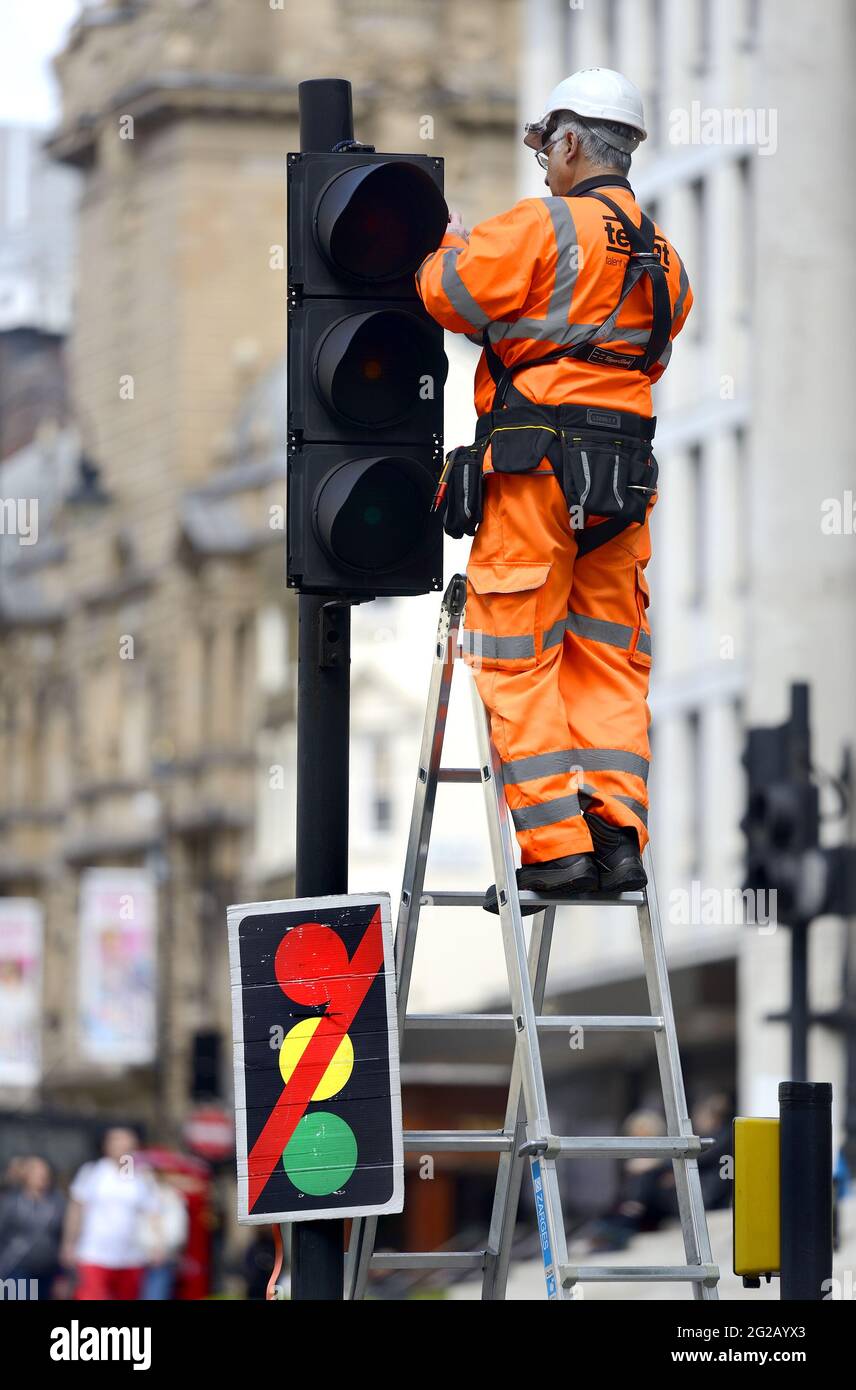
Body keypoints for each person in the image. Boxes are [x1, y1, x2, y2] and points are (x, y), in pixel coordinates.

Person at [416, 69, 693, 906]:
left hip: (536, 478)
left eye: (546, 145)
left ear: (572, 141)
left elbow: (447, 292)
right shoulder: (666, 260)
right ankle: (617, 841)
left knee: (514, 651)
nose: (542, 163)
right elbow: (643, 349)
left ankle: (557, 850)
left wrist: (452, 245)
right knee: (609, 663)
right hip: (621, 490)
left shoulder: (542, 226)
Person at [62, 1126, 162, 1300]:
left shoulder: (142, 1177)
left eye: (125, 1140)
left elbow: (153, 1213)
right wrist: (69, 1243)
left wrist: (157, 1245)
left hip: (131, 1255)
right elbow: (76, 1209)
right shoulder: (92, 1172)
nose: (121, 1145)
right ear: (106, 1146)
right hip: (94, 1253)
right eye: (115, 1140)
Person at [0, 1155, 65, 1298]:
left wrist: (64, 1274)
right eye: (35, 1170)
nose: (41, 1175)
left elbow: (64, 1239)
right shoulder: (11, 1202)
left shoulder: (58, 1203)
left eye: (44, 1171)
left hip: (48, 1269)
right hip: (18, 1266)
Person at [138, 1168, 188, 1300]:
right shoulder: (136, 1195)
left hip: (159, 1261)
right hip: (132, 1260)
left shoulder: (170, 1197)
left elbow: (176, 1229)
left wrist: (162, 1248)